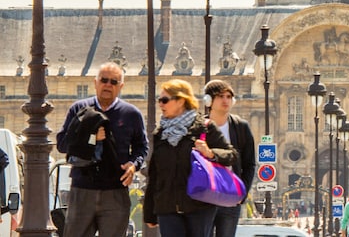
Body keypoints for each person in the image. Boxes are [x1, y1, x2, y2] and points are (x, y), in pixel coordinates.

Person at [56, 62, 148, 237]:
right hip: (82, 188)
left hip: (115, 190)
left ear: (121, 86)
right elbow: (61, 143)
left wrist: (133, 165)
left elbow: (141, 147)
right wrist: (90, 137)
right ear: (95, 82)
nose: (108, 85)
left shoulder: (131, 114)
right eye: (104, 80)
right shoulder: (79, 109)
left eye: (114, 82)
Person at [142, 79, 236, 237]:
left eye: (165, 100)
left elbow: (231, 155)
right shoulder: (160, 133)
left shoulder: (204, 127)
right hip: (167, 207)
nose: (161, 104)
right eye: (159, 100)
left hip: (199, 206)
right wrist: (149, 211)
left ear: (180, 101)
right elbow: (155, 174)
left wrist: (210, 153)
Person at [204, 80, 256, 237]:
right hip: (204, 196)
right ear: (208, 100)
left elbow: (249, 164)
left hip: (229, 196)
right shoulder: (199, 127)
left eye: (229, 96)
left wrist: (242, 193)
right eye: (220, 96)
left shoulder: (240, 127)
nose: (225, 100)